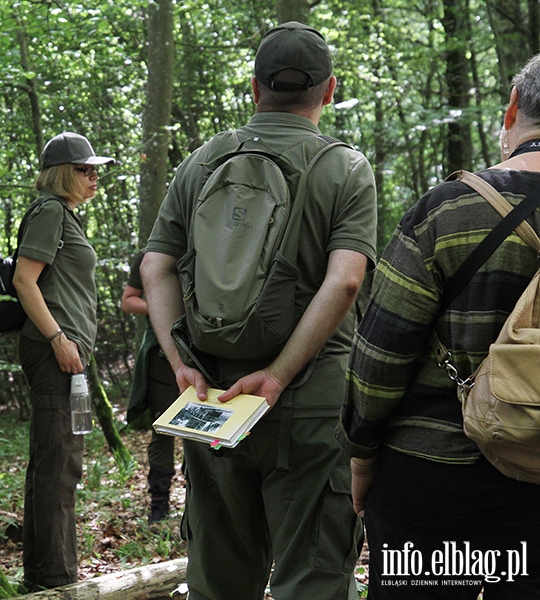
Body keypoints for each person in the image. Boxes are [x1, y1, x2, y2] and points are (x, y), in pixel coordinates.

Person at [141, 22, 377, 600]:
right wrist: (277, 376)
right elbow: (345, 282)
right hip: (310, 400)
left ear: (254, 88)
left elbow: (156, 267)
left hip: (212, 396)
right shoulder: (344, 168)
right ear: (329, 90)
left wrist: (181, 363)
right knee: (313, 576)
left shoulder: (201, 161)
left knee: (220, 575)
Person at [338, 55, 540, 599]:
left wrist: (361, 456)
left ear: (513, 110)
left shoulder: (447, 211)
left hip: (432, 482)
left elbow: (379, 356)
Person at [12, 131, 114, 591]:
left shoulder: (65, 215)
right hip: (55, 353)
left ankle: (44, 577)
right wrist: (58, 339)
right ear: (60, 173)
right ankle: (57, 582)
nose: (94, 177)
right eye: (84, 169)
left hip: (66, 354)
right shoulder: (51, 211)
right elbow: (24, 280)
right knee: (60, 465)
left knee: (54, 462)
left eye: (96, 169)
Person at [121, 250, 180, 523]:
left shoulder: (210, 245)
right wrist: (162, 307)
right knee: (164, 428)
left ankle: (205, 502)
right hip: (160, 354)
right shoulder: (149, 255)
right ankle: (160, 505)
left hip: (207, 350)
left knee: (208, 433)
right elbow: (129, 300)